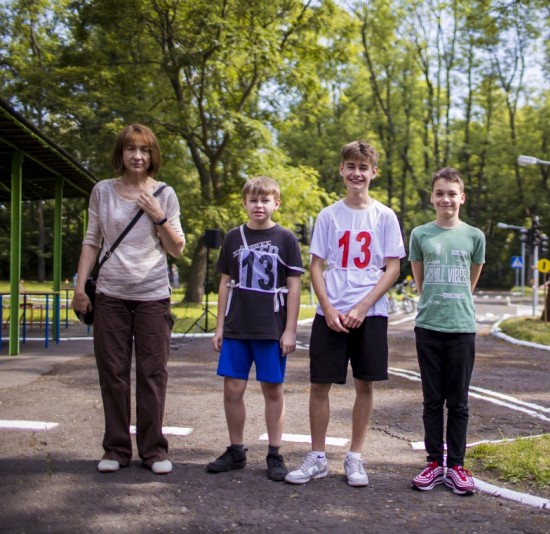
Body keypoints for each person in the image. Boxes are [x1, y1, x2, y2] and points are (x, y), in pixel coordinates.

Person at [285, 140, 405, 487]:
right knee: (319, 384)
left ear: (373, 172)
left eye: (363, 167)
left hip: (370, 314)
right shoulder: (329, 215)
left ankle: (355, 457)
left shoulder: (384, 216)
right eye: (351, 166)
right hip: (332, 313)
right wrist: (327, 308)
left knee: (364, 384)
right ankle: (317, 457)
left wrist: (363, 306)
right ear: (341, 170)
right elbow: (316, 266)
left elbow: (393, 268)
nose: (356, 173)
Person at [72, 124, 185, 474]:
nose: (138, 156)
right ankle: (116, 449)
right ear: (120, 153)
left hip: (153, 295)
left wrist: (158, 215)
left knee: (152, 374)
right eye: (131, 149)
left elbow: (177, 248)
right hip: (110, 295)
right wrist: (79, 287)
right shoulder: (102, 191)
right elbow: (92, 240)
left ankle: (154, 452)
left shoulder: (165, 193)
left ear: (153, 155)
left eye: (145, 150)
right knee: (113, 374)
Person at [206, 176, 303, 481]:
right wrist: (219, 326)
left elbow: (294, 286)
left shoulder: (286, 239)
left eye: (265, 200)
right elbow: (225, 283)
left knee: (272, 389)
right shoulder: (233, 237)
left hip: (270, 328)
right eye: (253, 200)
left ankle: (274, 452)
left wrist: (290, 330)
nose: (259, 205)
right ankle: (236, 450)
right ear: (244, 203)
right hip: (237, 326)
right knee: (233, 389)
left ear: (277, 203)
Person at [408, 167, 485, 496]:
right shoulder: (420, 234)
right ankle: (433, 464)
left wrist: (456, 301)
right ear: (432, 197)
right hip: (428, 327)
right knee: (431, 401)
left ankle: (456, 465)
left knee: (459, 403)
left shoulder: (475, 236)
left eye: (452, 193)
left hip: (461, 328)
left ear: (462, 198)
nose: (446, 199)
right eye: (440, 193)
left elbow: (471, 279)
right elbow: (420, 281)